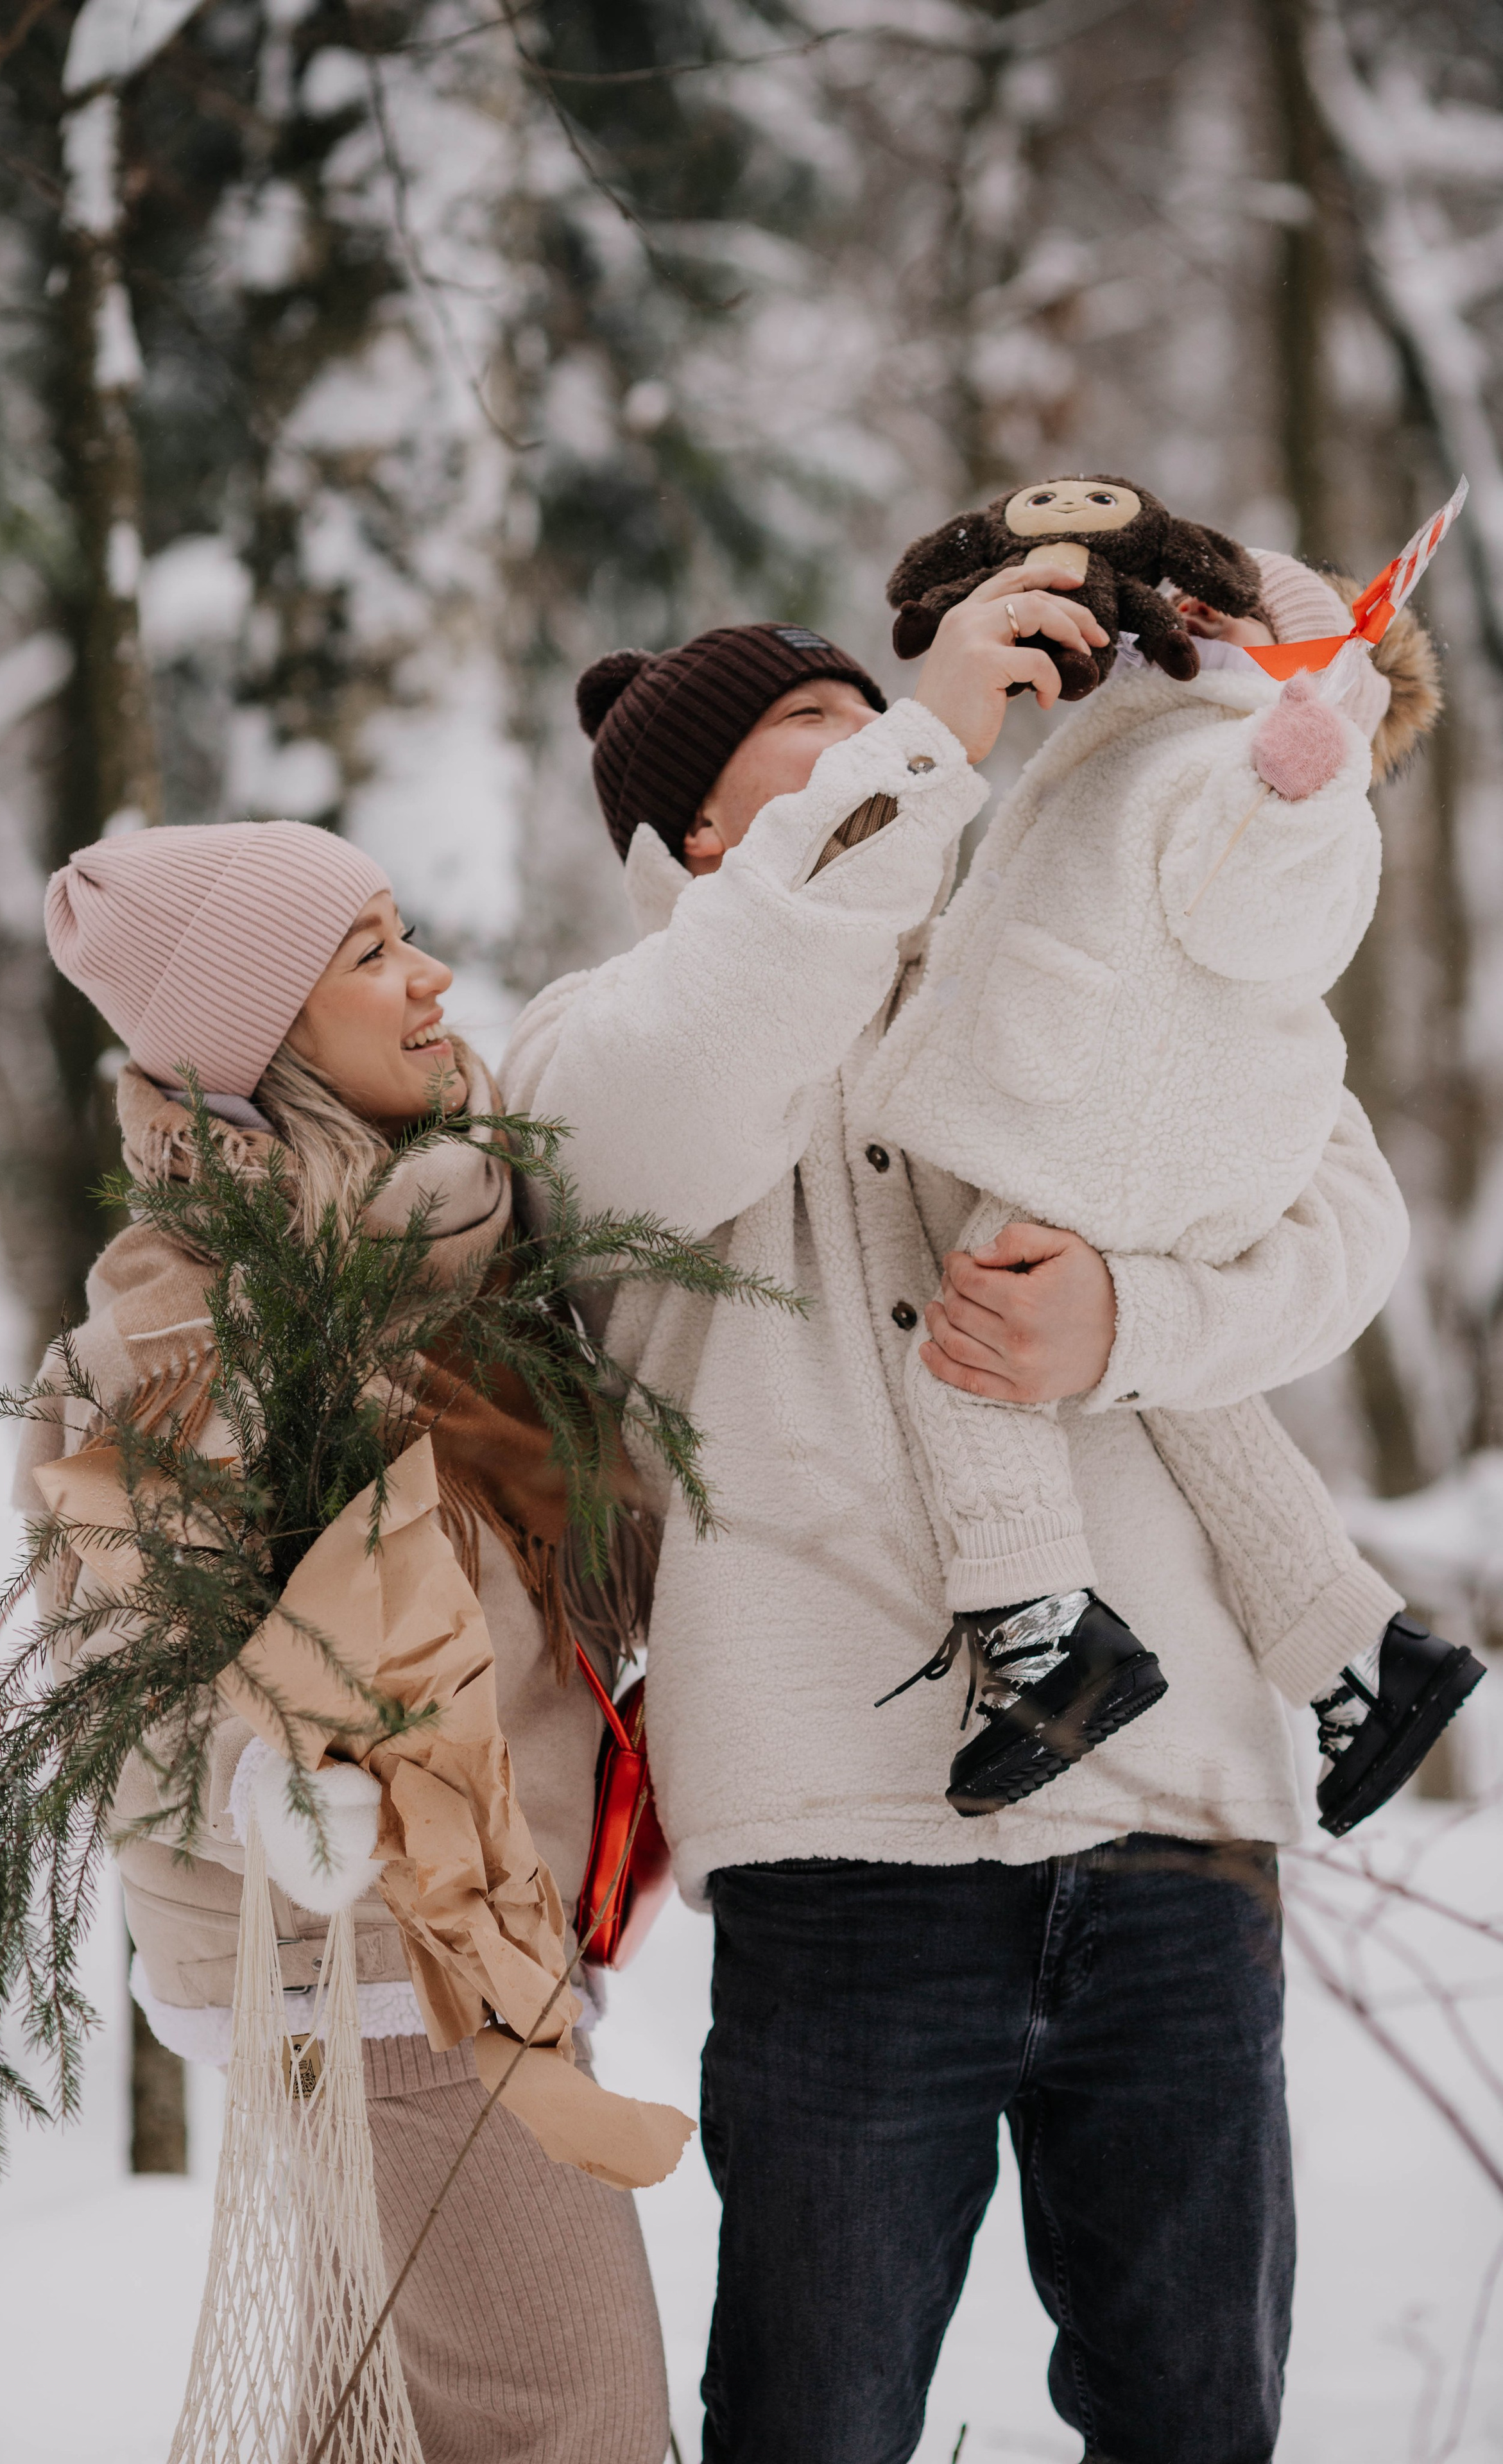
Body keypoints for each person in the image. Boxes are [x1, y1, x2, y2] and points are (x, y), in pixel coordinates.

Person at [502, 589, 1412, 2463]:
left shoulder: (1087, 977)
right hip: (848, 1866)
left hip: (1175, 1837)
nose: (899, 732)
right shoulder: (600, 1045)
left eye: (887, 709)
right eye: (823, 722)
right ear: (691, 837)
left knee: (1199, 2417)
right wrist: (918, 749)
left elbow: (1341, 1227)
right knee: (812, 2424)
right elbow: (672, 1102)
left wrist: (1131, 1322)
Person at [24, 819, 669, 2464]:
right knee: (564, 2422)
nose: (431, 976)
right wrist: (271, 1767)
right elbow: (143, 1641)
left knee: (398, 2425)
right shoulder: (194, 1302)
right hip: (373, 1961)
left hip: (461, 1944)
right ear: (259, 1042)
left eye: (408, 931)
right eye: (371, 953)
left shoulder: (451, 1249)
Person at [859, 529, 1482, 1825]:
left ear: (1277, 658)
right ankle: (1359, 1653)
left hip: (1113, 1112)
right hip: (1113, 1098)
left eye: (1210, 610)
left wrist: (1296, 783)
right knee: (1185, 1403)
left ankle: (1047, 1634)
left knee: (971, 1345)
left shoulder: (1239, 757)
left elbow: (1264, 894)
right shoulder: (1155, 727)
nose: (1168, 616)